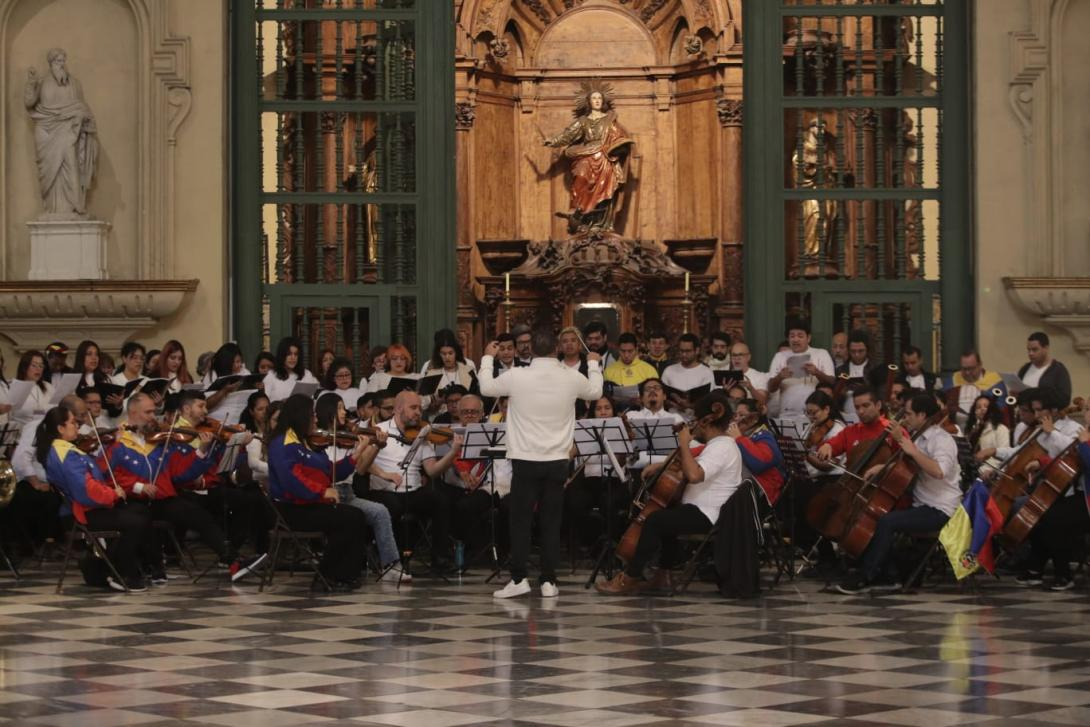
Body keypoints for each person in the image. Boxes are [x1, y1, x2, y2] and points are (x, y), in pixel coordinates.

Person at [480, 327, 603, 599]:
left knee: (521, 521)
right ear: (557, 348)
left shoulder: (517, 376)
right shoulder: (571, 376)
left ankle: (519, 578)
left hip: (525, 459)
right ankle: (548, 581)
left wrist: (488, 357)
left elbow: (486, 387)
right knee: (551, 520)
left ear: (530, 349)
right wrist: (593, 363)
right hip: (557, 459)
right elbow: (595, 392)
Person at [596, 391, 743, 595]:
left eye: (695, 420)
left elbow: (694, 475)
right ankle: (662, 577)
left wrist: (683, 443)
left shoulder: (722, 447)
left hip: (709, 513)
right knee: (667, 516)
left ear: (705, 422)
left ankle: (629, 577)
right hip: (699, 509)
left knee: (655, 521)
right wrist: (663, 465)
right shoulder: (716, 445)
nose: (693, 426)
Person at [106, 393, 262, 583]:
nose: (153, 417)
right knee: (141, 517)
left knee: (197, 513)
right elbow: (108, 475)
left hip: (161, 498)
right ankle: (148, 567)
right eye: (148, 412)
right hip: (131, 500)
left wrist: (202, 450)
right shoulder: (116, 440)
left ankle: (233, 561)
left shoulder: (157, 440)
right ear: (132, 412)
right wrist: (139, 487)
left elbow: (181, 474)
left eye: (154, 412)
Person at [837, 393, 961, 594]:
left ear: (922, 415)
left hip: (940, 508)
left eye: (910, 414)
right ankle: (886, 573)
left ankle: (869, 575)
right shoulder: (918, 437)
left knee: (888, 521)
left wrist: (910, 449)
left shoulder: (942, 440)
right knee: (878, 514)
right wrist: (882, 468)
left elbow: (939, 471)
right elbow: (907, 464)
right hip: (921, 503)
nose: (905, 418)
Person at [36, 404, 158, 592]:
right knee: (136, 522)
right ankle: (123, 573)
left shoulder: (65, 449)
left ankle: (107, 568)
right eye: (73, 423)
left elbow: (94, 474)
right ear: (60, 428)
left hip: (88, 508)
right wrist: (112, 494)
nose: (77, 426)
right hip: (81, 512)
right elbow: (84, 489)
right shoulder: (65, 453)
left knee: (141, 512)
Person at [266, 394, 376, 591]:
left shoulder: (307, 442)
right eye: (312, 415)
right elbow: (291, 480)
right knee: (347, 518)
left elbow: (332, 472)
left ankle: (346, 574)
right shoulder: (283, 443)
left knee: (355, 516)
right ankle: (327, 575)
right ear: (301, 416)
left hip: (309, 503)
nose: (316, 419)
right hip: (291, 509)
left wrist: (357, 453)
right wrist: (322, 492)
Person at [312, 394, 407, 583]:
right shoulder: (316, 440)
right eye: (339, 408)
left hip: (348, 493)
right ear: (328, 410)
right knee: (351, 518)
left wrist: (376, 446)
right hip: (328, 495)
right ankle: (346, 568)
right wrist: (358, 450)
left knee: (380, 511)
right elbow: (330, 471)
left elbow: (362, 468)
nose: (344, 412)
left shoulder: (348, 438)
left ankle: (391, 565)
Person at [367, 391, 460, 575]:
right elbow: (363, 463)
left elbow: (432, 470)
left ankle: (440, 558)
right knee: (392, 506)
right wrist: (385, 474)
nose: (418, 412)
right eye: (413, 408)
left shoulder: (422, 434)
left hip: (413, 490)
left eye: (419, 408)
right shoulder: (379, 430)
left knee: (440, 500)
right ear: (398, 409)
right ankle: (390, 558)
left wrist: (452, 453)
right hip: (385, 490)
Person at [1016, 407, 1090, 591]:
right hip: (1081, 494)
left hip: (1088, 500)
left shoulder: (1084, 437)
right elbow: (1070, 461)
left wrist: (1084, 444)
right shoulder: (1085, 434)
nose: (1085, 413)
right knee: (1042, 513)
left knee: (1055, 519)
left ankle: (1063, 574)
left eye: (1089, 409)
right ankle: (1036, 568)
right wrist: (1042, 462)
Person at [436, 394, 512, 563]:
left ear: (482, 413)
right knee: (463, 506)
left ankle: (505, 553)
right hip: (455, 487)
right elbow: (449, 459)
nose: (469, 415)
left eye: (474, 412)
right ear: (458, 414)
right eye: (465, 412)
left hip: (488, 485)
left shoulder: (493, 431)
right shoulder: (449, 432)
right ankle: (473, 550)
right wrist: (462, 471)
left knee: (508, 507)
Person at [564, 396, 631, 549]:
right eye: (598, 408)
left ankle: (611, 544)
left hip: (613, 479)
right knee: (574, 501)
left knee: (609, 502)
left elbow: (621, 463)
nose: (603, 412)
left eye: (607, 408)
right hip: (587, 480)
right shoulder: (585, 429)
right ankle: (586, 543)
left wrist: (623, 436)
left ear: (613, 410)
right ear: (593, 412)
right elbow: (570, 455)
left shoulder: (619, 428)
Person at [768, 318, 835, 422]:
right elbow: (770, 388)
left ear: (808, 338)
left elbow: (832, 382)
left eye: (800, 336)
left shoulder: (821, 354)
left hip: (815, 415)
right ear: (788, 338)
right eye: (792, 336)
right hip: (787, 414)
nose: (796, 340)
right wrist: (780, 377)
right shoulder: (779, 356)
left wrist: (816, 372)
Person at [729, 399, 785, 507]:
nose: (736, 419)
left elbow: (759, 464)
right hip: (742, 487)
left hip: (761, 492)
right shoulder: (741, 435)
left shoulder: (765, 436)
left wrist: (739, 438)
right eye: (736, 415)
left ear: (754, 419)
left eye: (741, 415)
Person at [942, 349, 1003, 431]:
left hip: (985, 429)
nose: (967, 373)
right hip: (955, 428)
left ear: (980, 365)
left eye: (971, 369)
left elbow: (1001, 409)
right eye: (964, 369)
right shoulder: (952, 381)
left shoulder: (994, 382)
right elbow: (943, 407)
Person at [661, 333, 716, 412]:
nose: (684, 354)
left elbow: (709, 401)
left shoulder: (706, 372)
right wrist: (671, 403)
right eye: (681, 351)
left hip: (697, 419)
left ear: (697, 350)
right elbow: (661, 397)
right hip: (672, 417)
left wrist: (689, 405)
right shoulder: (669, 371)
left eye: (688, 351)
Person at [1018, 332, 1072, 406]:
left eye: (1034, 350)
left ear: (1046, 348)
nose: (1030, 353)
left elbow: (1064, 399)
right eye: (1029, 350)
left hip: (1046, 416)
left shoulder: (1058, 369)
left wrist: (1033, 393)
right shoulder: (1025, 369)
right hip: (1023, 415)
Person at [263, 336, 318, 402]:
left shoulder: (306, 374)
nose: (293, 358)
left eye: (296, 354)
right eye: (289, 354)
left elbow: (312, 399)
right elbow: (265, 403)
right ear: (282, 355)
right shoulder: (271, 376)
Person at [966, 394, 1010, 473]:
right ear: (975, 412)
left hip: (991, 473)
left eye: (986, 406)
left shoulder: (1001, 429)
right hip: (972, 471)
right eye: (978, 407)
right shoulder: (973, 430)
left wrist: (984, 470)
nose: (982, 409)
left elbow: (1002, 456)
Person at [12, 350, 55, 422]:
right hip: (23, 429)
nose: (38, 369)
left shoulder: (48, 386)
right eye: (34, 365)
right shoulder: (15, 387)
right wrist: (43, 412)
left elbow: (55, 407)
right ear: (24, 367)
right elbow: (17, 412)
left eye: (41, 366)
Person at [728, 342, 770, 407]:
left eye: (740, 355)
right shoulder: (725, 376)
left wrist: (750, 388)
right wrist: (725, 391)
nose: (736, 358)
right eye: (734, 355)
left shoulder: (760, 376)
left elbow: (763, 401)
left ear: (748, 357)